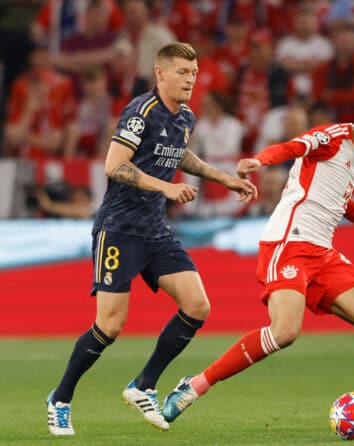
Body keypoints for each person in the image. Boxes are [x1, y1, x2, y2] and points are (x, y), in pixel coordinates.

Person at [161, 93, 354, 439]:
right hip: (289, 244)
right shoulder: (333, 137)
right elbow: (293, 147)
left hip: (322, 253)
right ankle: (193, 386)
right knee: (285, 332)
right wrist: (260, 160)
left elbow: (338, 198)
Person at [45, 42, 257, 436]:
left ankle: (143, 385)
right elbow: (114, 165)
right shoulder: (140, 113)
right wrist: (167, 188)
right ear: (160, 73)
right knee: (109, 326)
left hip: (155, 230)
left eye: (193, 74)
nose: (189, 80)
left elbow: (180, 155)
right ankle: (60, 398)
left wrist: (224, 178)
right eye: (181, 72)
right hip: (119, 229)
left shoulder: (186, 117)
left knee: (197, 305)